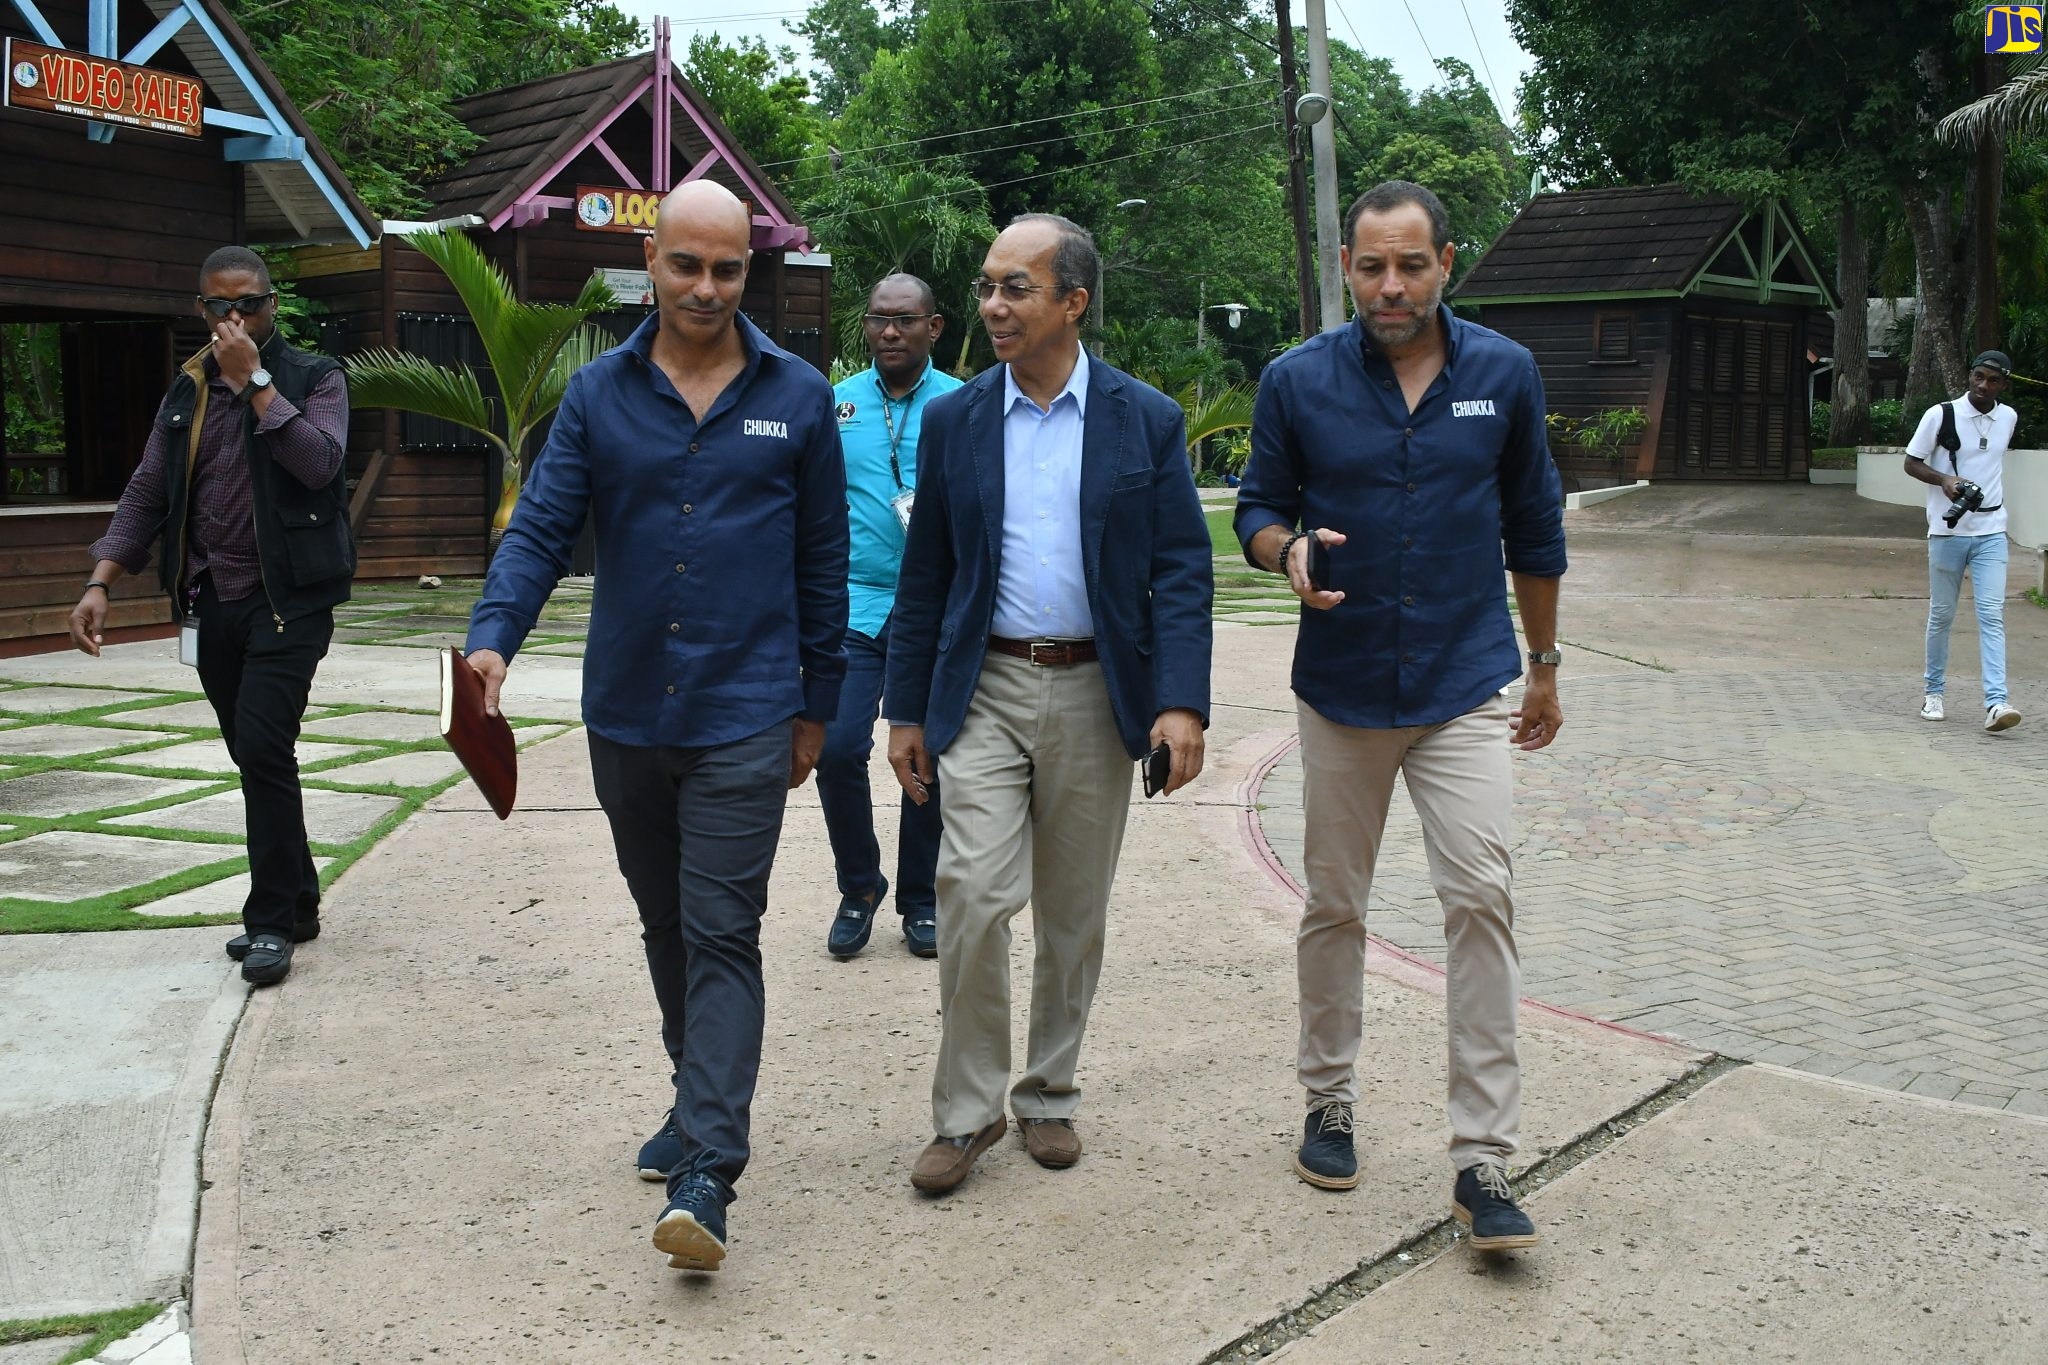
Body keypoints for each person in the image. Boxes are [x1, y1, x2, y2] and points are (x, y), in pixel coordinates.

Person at [462, 181, 847, 1274]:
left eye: (728, 271)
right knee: (663, 923)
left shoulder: (798, 398)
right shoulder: (597, 395)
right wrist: (495, 635)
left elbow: (823, 561)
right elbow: (540, 528)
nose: (707, 290)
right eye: (687, 266)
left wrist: (815, 705)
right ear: (651, 257)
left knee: (722, 927)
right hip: (627, 710)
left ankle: (707, 1173)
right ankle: (696, 1096)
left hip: (746, 708)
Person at [1235, 181, 1567, 1252]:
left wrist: (1545, 664)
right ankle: (1326, 1100)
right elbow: (1254, 507)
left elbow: (1533, 524)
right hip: (1339, 687)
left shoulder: (1503, 374)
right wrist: (1281, 552)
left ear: (1444, 263)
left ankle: (1483, 1158)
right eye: (1372, 267)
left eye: (1410, 265)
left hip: (1463, 683)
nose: (1390, 286)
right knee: (1334, 902)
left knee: (1480, 895)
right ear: (1346, 266)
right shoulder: (1297, 381)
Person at [884, 213, 1213, 1194]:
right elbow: (926, 574)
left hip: (1091, 693)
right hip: (980, 686)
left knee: (1073, 914)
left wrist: (1179, 703)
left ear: (1071, 300)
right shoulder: (956, 420)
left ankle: (1049, 1096)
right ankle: (966, 1112)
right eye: (986, 286)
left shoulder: (1141, 420)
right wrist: (904, 709)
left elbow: (1181, 571)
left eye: (1014, 287)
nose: (991, 305)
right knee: (972, 895)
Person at [69, 246, 353, 987]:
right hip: (209, 600)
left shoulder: (315, 376)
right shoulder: (185, 391)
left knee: (263, 743)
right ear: (201, 309)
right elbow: (145, 491)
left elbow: (320, 462)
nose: (234, 320)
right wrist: (102, 579)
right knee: (255, 752)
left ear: (273, 306)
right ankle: (298, 898)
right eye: (220, 307)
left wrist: (254, 382)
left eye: (249, 305)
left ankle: (267, 924)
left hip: (289, 601)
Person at [819, 273, 962, 960]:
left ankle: (921, 897)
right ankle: (859, 884)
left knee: (925, 756)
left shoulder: (965, 406)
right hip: (855, 604)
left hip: (933, 612)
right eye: (879, 319)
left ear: (934, 328)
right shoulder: (836, 404)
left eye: (906, 320)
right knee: (839, 746)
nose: (891, 332)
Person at [1906, 351, 2023, 733]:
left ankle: (1996, 702)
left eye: (1992, 380)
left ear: (2002, 385)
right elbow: (1911, 461)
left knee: (1991, 615)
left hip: (1991, 532)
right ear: (1969, 375)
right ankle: (1933, 693)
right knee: (1942, 615)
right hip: (1947, 532)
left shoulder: (2007, 417)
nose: (1982, 385)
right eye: (1978, 376)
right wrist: (1944, 480)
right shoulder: (1940, 414)